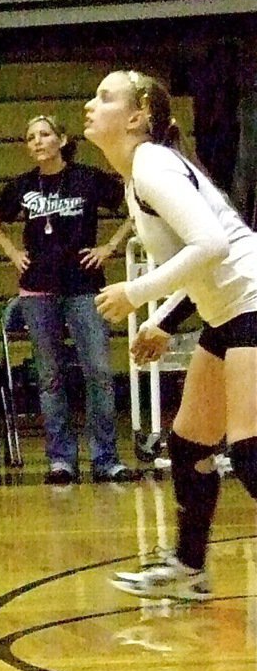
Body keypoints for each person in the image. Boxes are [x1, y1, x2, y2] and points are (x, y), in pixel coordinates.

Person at [86, 69, 257, 601]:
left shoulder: (151, 162)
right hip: (227, 313)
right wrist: (164, 322)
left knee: (250, 453)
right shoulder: (140, 174)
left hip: (252, 302)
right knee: (188, 445)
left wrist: (137, 296)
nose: (91, 104)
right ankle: (189, 570)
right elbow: (202, 261)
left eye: (105, 97)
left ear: (138, 118)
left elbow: (212, 246)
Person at [0, 114, 139, 485]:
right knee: (50, 376)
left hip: (85, 286)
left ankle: (106, 458)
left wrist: (110, 247)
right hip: (38, 288)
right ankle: (61, 460)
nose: (37, 141)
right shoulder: (23, 185)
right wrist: (11, 252)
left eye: (45, 134)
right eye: (31, 136)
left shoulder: (87, 179)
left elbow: (137, 204)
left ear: (62, 139)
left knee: (98, 372)